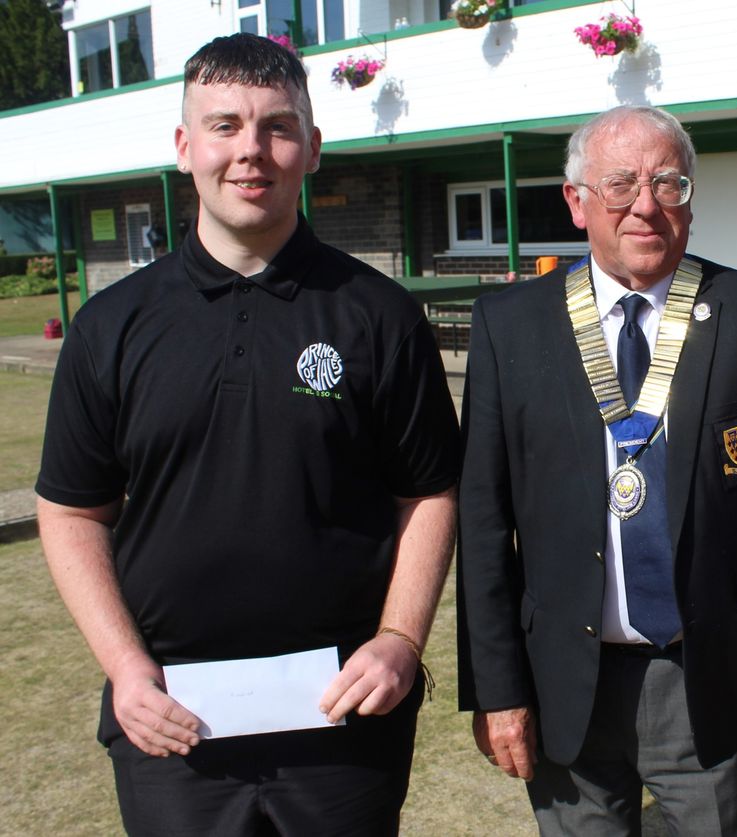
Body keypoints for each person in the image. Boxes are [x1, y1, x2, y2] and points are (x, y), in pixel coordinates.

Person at [35, 34, 459, 836]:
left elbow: (429, 492)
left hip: (342, 715)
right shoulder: (110, 326)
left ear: (313, 148)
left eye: (278, 126)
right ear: (184, 146)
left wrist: (401, 637)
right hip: (171, 720)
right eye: (224, 125)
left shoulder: (382, 317)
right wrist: (125, 668)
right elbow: (70, 510)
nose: (251, 150)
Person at [456, 104, 737, 834]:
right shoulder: (509, 325)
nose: (646, 205)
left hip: (710, 673)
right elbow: (482, 520)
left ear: (689, 199)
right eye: (620, 184)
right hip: (563, 677)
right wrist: (496, 688)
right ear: (577, 202)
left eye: (668, 183)